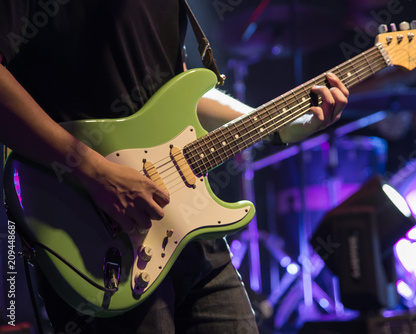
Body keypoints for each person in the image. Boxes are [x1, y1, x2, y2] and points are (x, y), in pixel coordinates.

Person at [0, 1, 349, 332]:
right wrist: (95, 172)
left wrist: (281, 125)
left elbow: (181, 91)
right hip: (98, 237)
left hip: (189, 232)